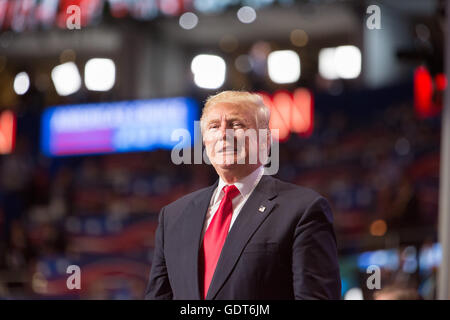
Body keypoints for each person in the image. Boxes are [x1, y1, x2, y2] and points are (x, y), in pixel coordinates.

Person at [144, 91, 341, 300]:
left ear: (265, 140)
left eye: (236, 124)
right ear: (205, 142)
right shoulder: (173, 216)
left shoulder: (302, 210)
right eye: (213, 127)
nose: (223, 134)